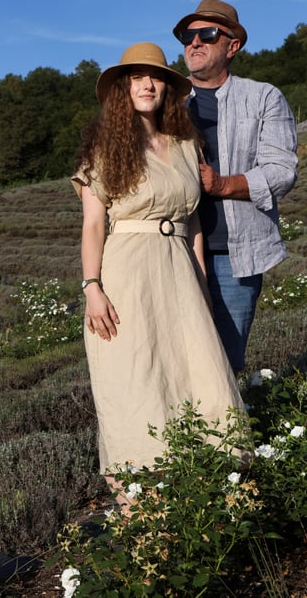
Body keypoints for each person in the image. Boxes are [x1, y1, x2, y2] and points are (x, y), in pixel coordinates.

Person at [71, 42, 244, 493]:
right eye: (135, 77)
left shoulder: (187, 145)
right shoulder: (103, 149)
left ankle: (203, 501)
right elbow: (93, 225)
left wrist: (203, 291)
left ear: (168, 86)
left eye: (156, 76)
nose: (147, 84)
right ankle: (136, 510)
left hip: (181, 271)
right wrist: (92, 287)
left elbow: (194, 227)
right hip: (128, 273)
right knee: (135, 380)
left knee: (197, 379)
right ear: (122, 89)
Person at [172, 0, 299, 374]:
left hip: (234, 257)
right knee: (174, 362)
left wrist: (222, 184)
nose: (194, 42)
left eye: (207, 34)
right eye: (186, 35)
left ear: (232, 45)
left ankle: (225, 431)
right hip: (173, 250)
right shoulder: (166, 102)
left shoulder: (263, 97)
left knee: (224, 364)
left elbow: (281, 170)